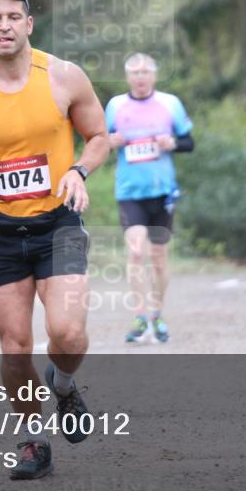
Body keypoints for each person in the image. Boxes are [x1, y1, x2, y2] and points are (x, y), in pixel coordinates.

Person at [0, 0, 109, 480]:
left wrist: (78, 171)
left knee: (68, 334)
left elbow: (98, 135)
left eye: (14, 16)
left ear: (29, 24)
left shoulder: (63, 77)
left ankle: (66, 385)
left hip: (59, 223)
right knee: (15, 347)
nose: (5, 25)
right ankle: (34, 442)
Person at [104, 53, 194, 344]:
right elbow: (99, 141)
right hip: (130, 192)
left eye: (145, 72)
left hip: (162, 191)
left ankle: (158, 314)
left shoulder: (170, 104)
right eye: (134, 72)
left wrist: (173, 144)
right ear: (128, 76)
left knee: (158, 257)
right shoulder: (116, 106)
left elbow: (189, 142)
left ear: (154, 76)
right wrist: (108, 142)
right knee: (135, 251)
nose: (140, 77)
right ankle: (140, 316)